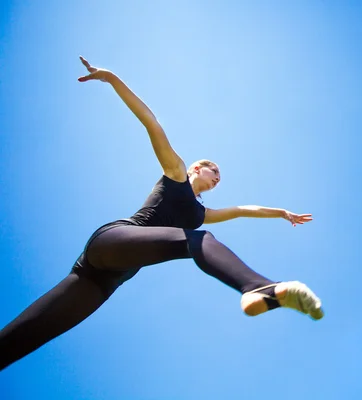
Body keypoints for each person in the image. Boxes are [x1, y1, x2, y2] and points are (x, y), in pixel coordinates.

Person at [0, 57, 323, 372]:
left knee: (22, 339)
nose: (218, 178)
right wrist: (112, 79)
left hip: (104, 280)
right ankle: (259, 288)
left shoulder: (200, 213)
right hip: (111, 241)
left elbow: (241, 211)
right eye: (215, 172)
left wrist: (280, 213)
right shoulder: (176, 173)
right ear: (198, 167)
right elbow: (150, 121)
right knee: (199, 241)